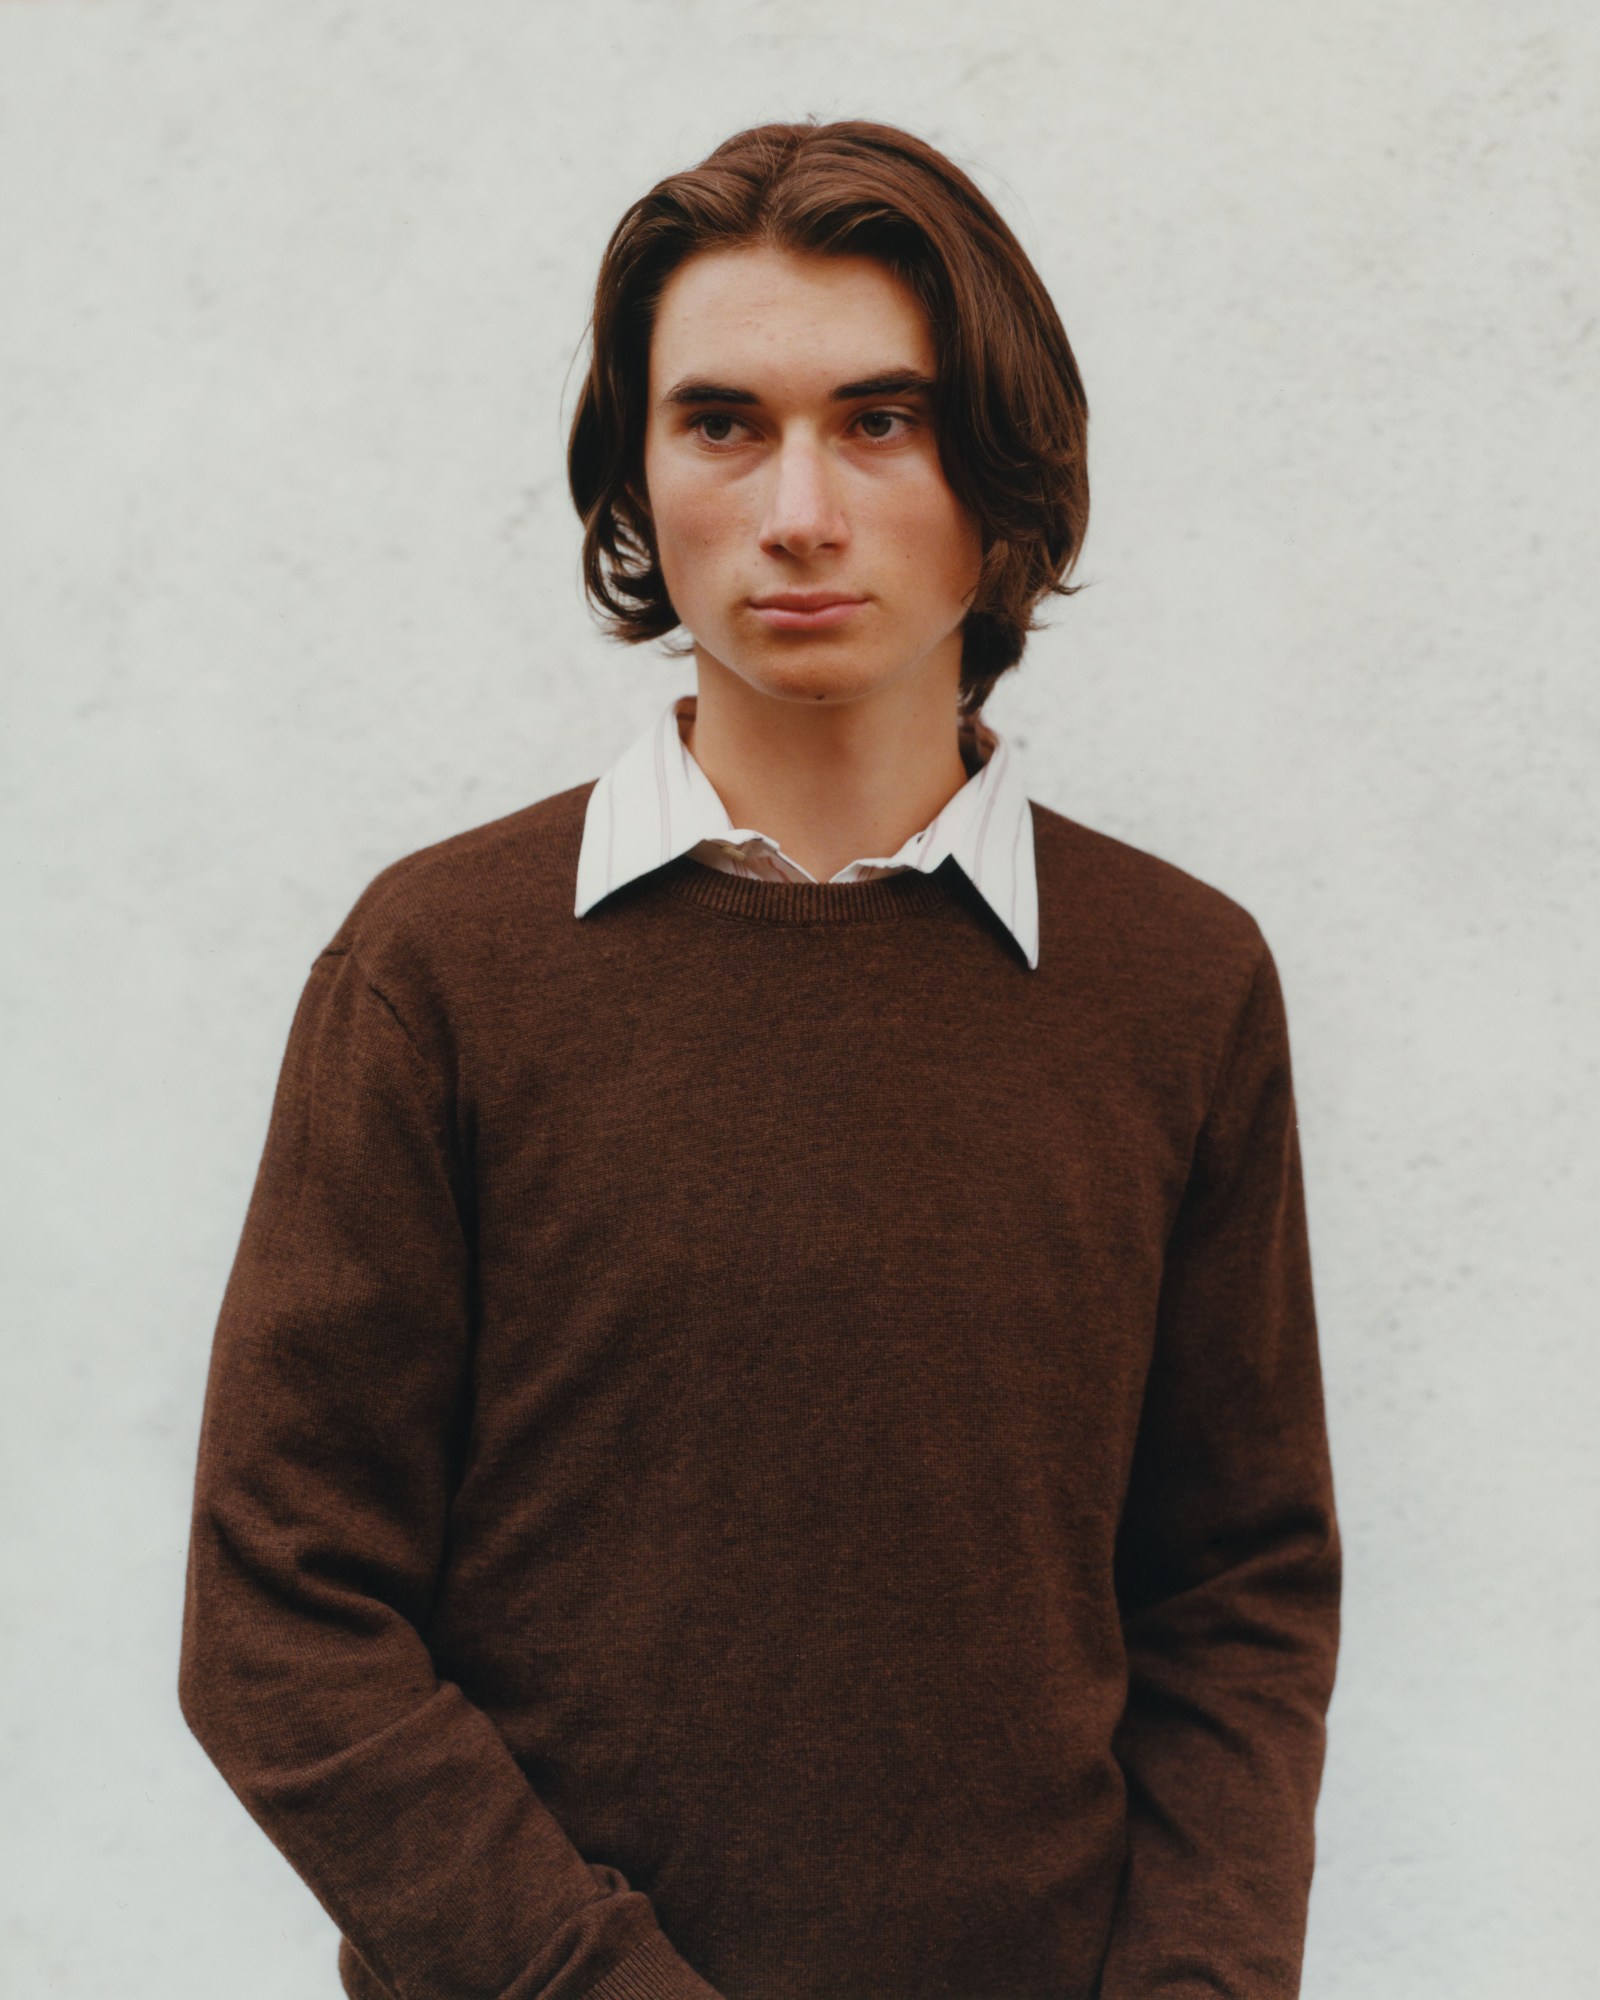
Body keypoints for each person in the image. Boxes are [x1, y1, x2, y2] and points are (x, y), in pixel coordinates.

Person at [179, 117, 1341, 2000]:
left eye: (883, 419)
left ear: (1004, 473)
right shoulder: (440, 967)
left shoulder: (1177, 983)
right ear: (637, 478)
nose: (801, 507)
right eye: (724, 423)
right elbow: (282, 1616)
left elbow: (1238, 1591)